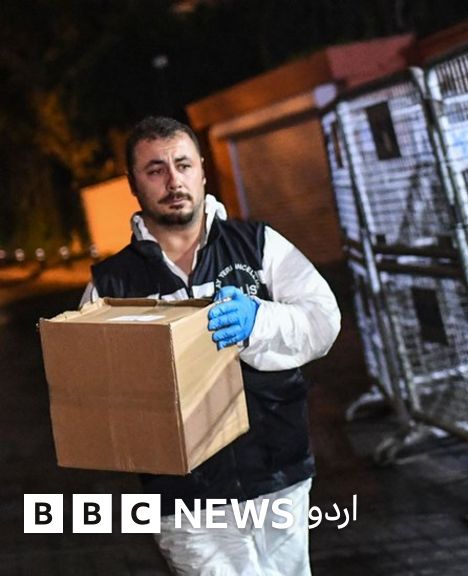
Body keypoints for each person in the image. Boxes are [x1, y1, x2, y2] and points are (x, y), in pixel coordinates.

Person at [80, 115, 341, 575]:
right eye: (155, 169)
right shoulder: (111, 286)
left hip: (279, 473)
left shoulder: (259, 245)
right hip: (184, 498)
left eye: (183, 165)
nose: (173, 180)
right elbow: (91, 394)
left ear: (202, 170)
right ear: (133, 184)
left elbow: (324, 321)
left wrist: (258, 320)